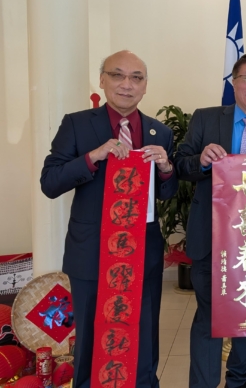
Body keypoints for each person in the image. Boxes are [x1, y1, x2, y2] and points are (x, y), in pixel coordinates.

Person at [40, 50, 178, 388]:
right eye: (117, 75)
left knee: (143, 335)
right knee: (92, 338)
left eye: (136, 78)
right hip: (91, 253)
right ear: (102, 80)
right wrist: (92, 157)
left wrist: (166, 168)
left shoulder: (159, 132)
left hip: (141, 253)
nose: (127, 84)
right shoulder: (77, 124)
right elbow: (50, 182)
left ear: (145, 86)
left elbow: (167, 193)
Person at [173, 52, 246, 388]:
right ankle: (204, 384)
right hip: (211, 238)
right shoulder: (206, 119)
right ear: (234, 82)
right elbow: (180, 165)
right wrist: (202, 160)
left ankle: (239, 381)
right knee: (209, 316)